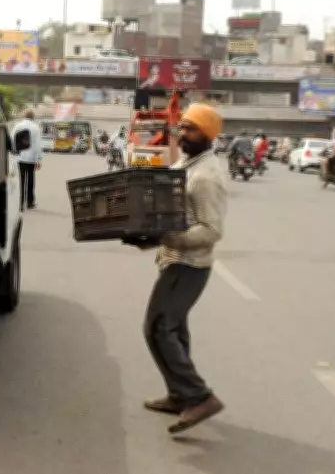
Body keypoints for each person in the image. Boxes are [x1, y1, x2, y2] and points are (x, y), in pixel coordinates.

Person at [124, 103, 228, 434]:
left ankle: (199, 396)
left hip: (188, 265)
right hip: (174, 257)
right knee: (176, 331)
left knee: (156, 328)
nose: (183, 133)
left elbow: (211, 230)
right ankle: (179, 395)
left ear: (208, 135)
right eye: (181, 127)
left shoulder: (206, 177)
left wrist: (166, 236)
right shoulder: (188, 162)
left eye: (191, 129)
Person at [13, 110, 42, 210]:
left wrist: (13, 154)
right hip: (32, 158)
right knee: (30, 180)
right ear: (33, 117)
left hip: (20, 157)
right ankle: (30, 202)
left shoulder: (18, 126)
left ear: (24, 116)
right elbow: (38, 145)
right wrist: (39, 160)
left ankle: (20, 203)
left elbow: (13, 139)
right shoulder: (35, 127)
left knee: (21, 180)